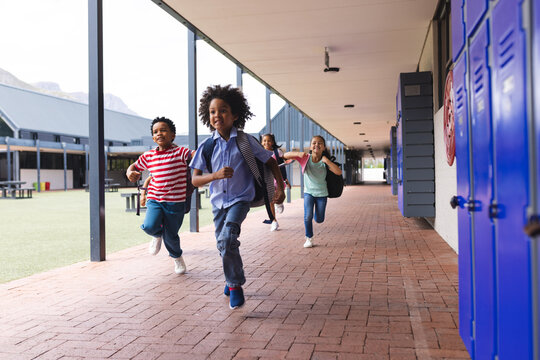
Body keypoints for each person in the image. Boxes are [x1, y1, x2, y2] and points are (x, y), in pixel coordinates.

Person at [190, 85, 285, 309]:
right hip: (217, 205)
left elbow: (271, 161)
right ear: (207, 115)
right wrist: (214, 175)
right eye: (213, 111)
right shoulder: (207, 145)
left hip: (240, 200)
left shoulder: (245, 141)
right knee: (223, 245)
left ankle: (235, 285)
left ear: (235, 115)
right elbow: (195, 180)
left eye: (223, 110)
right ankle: (229, 277)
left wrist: (280, 188)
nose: (217, 115)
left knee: (227, 239)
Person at [126, 117, 191, 275]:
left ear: (173, 135)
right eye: (155, 132)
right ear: (153, 137)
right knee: (149, 226)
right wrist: (129, 171)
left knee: (171, 236)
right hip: (155, 199)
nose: (159, 134)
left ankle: (177, 257)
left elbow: (199, 157)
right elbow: (135, 166)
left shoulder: (182, 152)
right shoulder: (149, 156)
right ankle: (156, 235)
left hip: (175, 203)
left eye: (163, 130)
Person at [283, 135, 342, 248]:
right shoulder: (305, 158)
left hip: (322, 194)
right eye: (314, 143)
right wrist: (298, 154)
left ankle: (316, 215)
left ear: (324, 147)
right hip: (308, 192)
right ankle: (309, 238)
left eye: (320, 143)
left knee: (319, 219)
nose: (317, 145)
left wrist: (327, 162)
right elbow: (285, 156)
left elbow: (338, 172)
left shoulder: (325, 161)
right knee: (307, 216)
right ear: (310, 146)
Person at [260, 133, 291, 231]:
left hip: (277, 179)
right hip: (267, 180)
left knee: (278, 198)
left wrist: (286, 180)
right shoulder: (260, 153)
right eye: (264, 140)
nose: (266, 142)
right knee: (270, 201)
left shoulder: (277, 152)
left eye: (268, 140)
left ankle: (280, 203)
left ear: (272, 142)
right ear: (261, 142)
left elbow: (283, 168)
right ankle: (274, 221)